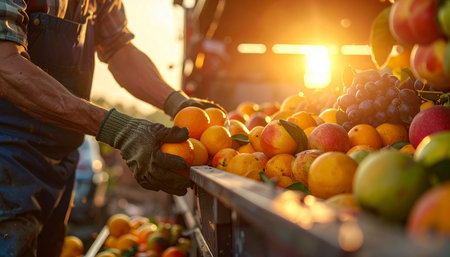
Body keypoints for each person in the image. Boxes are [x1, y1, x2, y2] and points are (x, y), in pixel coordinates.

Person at [0, 0, 221, 256]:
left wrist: (177, 102)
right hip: (7, 157)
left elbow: (119, 49)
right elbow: (5, 64)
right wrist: (117, 128)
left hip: (60, 162)